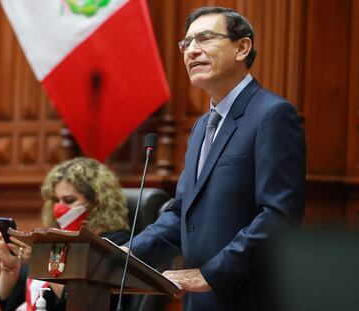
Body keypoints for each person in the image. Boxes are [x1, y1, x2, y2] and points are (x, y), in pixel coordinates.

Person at [129, 6, 306, 311]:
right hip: (200, 302)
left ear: (242, 47)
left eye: (205, 38)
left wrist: (210, 274)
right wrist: (123, 253)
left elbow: (279, 216)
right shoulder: (201, 127)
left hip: (250, 299)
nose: (191, 51)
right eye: (186, 44)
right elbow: (181, 213)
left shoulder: (272, 115)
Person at [0, 157, 130, 311]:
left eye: (69, 200)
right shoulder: (54, 240)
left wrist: (40, 262)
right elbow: (6, 301)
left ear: (97, 203)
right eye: (56, 200)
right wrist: (10, 267)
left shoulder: (115, 243)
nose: (59, 208)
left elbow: (80, 302)